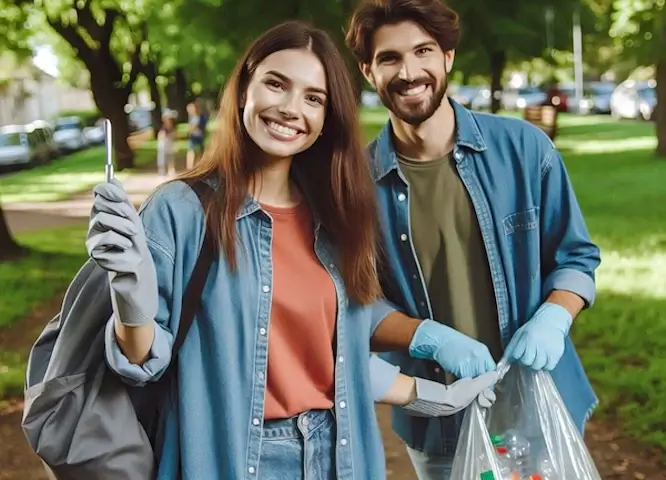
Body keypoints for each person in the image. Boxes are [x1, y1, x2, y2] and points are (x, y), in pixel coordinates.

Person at [85, 20, 498, 479]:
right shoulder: (182, 210)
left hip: (340, 451)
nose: (289, 108)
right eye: (276, 84)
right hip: (238, 457)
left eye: (313, 98)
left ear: (327, 120)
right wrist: (130, 293)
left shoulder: (335, 213)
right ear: (244, 89)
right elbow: (142, 363)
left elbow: (336, 340)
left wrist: (429, 379)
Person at [344, 0, 602, 478]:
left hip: (545, 411)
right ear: (367, 71)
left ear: (447, 57)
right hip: (440, 426)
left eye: (423, 51)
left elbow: (576, 257)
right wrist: (426, 337)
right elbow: (353, 306)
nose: (409, 71)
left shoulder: (525, 150)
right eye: (389, 58)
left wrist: (553, 318)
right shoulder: (354, 187)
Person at [185, 101, 206, 169]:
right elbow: (190, 127)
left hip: (199, 136)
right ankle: (190, 167)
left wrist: (196, 127)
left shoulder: (202, 116)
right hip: (193, 137)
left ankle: (198, 166)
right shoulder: (191, 117)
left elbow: (203, 126)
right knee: (191, 151)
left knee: (200, 152)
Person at [156, 112, 177, 177]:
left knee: (170, 159)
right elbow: (161, 136)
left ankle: (171, 171)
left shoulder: (172, 128)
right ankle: (162, 172)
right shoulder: (163, 128)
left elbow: (175, 136)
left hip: (169, 145)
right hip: (163, 146)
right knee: (162, 159)